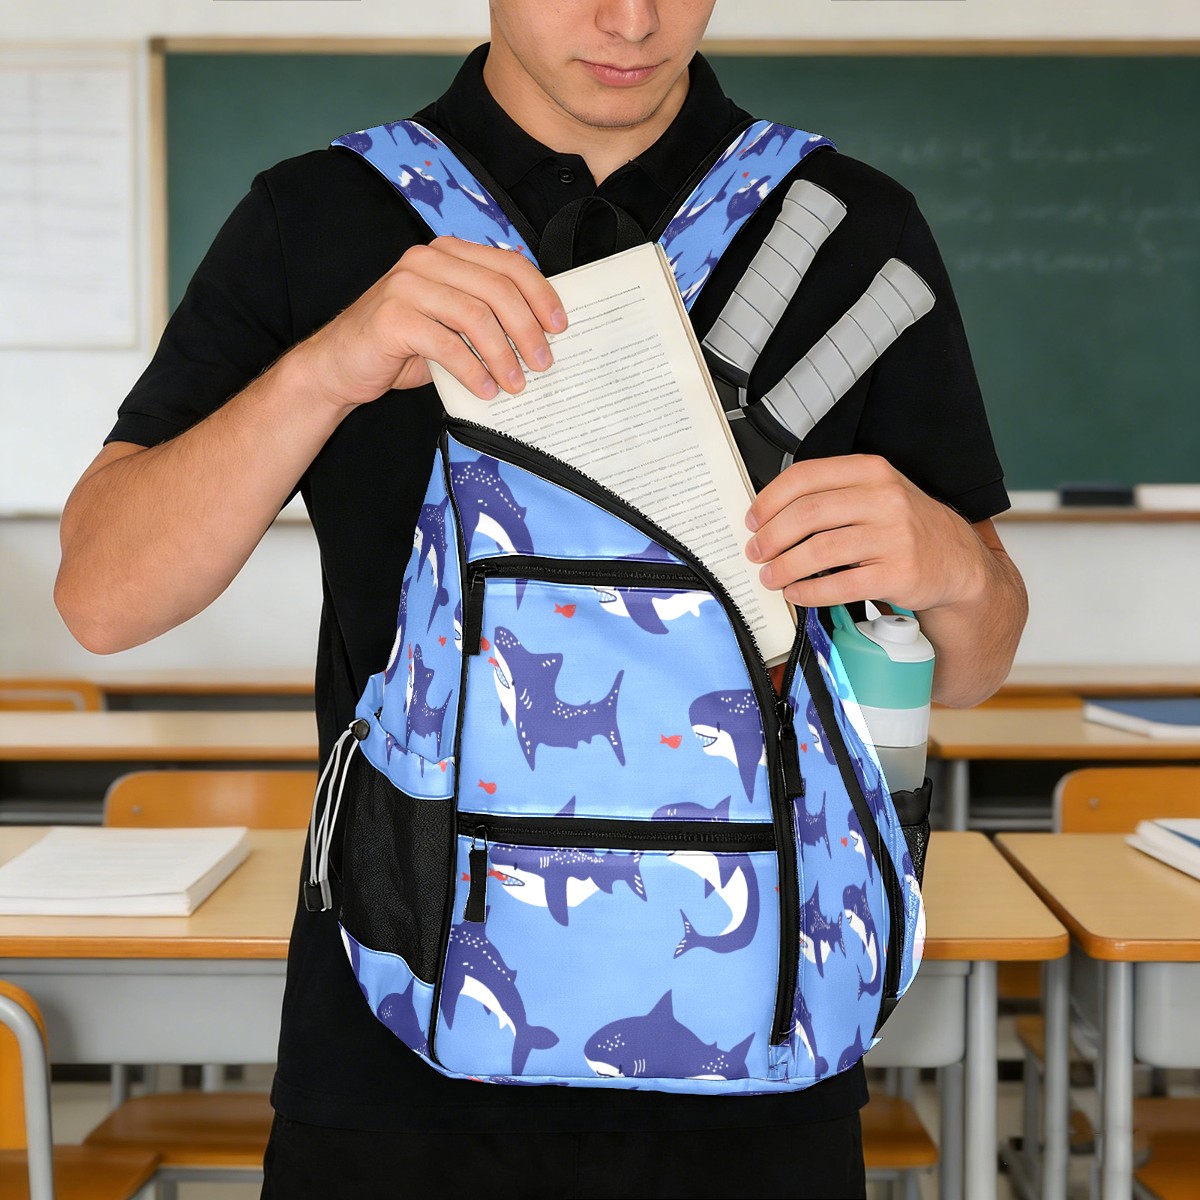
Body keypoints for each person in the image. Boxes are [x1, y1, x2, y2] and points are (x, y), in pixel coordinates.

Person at [56, 2, 1028, 1196]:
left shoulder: (847, 230)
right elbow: (102, 598)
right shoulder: (319, 218)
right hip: (397, 1063)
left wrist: (954, 563)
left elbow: (977, 662)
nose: (633, 18)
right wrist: (325, 369)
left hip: (762, 1061)